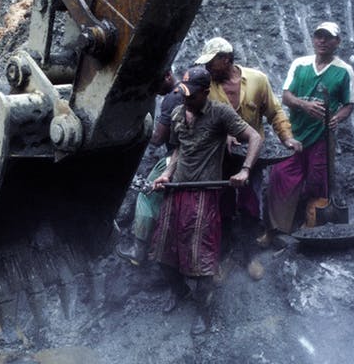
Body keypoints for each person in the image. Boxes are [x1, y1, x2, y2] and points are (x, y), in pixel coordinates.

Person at [147, 66, 261, 334]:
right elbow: (177, 150)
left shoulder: (220, 113)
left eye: (192, 95)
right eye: (184, 93)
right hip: (177, 190)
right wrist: (165, 173)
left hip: (204, 193)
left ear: (205, 93)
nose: (186, 99)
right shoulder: (177, 113)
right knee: (163, 252)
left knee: (200, 260)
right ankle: (179, 293)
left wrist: (244, 170)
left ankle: (204, 311)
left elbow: (254, 137)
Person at [194, 37, 302, 242]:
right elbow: (199, 118)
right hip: (220, 155)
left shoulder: (257, 79)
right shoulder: (206, 85)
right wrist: (223, 134)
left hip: (252, 154)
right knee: (221, 202)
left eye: (211, 62)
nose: (207, 66)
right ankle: (225, 248)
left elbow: (275, 112)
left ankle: (249, 252)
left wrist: (287, 138)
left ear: (226, 59)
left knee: (250, 200)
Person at [266, 21, 354, 234]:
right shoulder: (300, 64)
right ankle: (277, 229)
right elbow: (286, 97)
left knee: (318, 180)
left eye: (328, 37)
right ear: (313, 39)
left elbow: (349, 105)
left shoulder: (344, 71)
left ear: (337, 42)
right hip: (295, 134)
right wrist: (304, 105)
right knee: (281, 176)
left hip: (322, 137)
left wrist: (337, 118)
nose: (322, 41)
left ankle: (312, 228)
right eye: (318, 36)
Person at [115, 68, 179, 265]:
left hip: (178, 155)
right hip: (195, 155)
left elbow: (158, 138)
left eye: (156, 84)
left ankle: (138, 251)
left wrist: (137, 130)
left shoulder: (172, 99)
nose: (153, 90)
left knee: (146, 195)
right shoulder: (188, 92)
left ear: (168, 76)